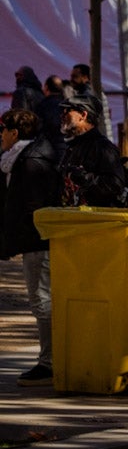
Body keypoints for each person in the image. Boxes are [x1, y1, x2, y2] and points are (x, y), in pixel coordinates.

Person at [0, 109, 62, 386]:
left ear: (14, 133)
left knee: (41, 300)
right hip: (35, 239)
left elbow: (31, 207)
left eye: (3, 130)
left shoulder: (30, 161)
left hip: (38, 240)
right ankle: (51, 359)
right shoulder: (21, 159)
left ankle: (49, 363)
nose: (0, 136)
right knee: (43, 300)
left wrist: (16, 237)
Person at [59, 94, 128, 207]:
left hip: (96, 220)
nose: (62, 115)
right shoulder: (73, 145)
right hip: (75, 219)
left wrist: (84, 178)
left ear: (83, 115)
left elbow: (115, 185)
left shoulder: (103, 147)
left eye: (67, 111)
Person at [68, 63, 112, 141]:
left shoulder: (88, 95)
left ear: (85, 77)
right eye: (71, 76)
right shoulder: (84, 93)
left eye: (75, 76)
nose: (71, 80)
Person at [35, 75, 67, 159]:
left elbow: (38, 127)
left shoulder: (42, 105)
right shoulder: (68, 105)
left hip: (48, 148)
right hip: (67, 147)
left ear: (46, 87)